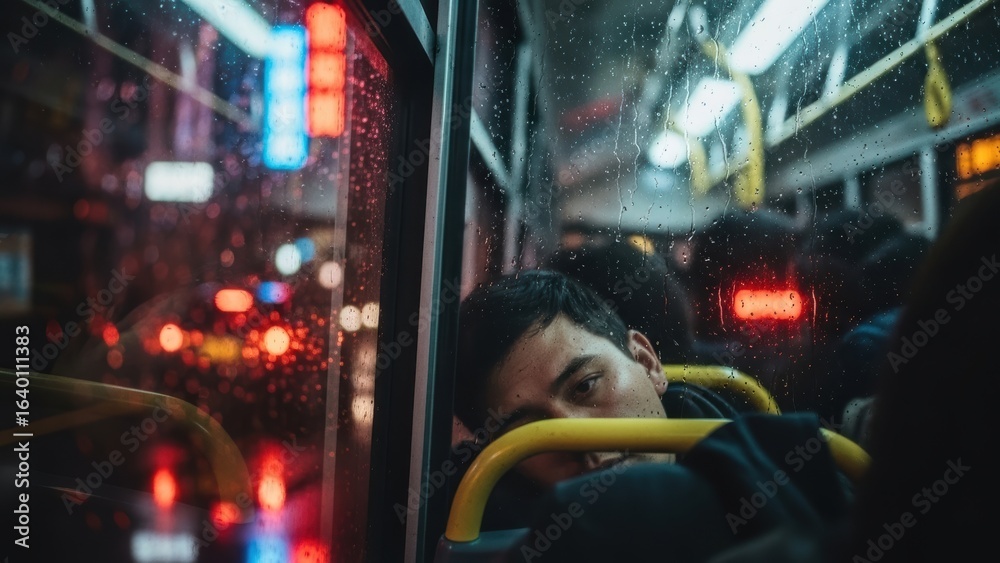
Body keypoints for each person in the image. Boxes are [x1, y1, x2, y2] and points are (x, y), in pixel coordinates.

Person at [452, 269, 853, 560]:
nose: (578, 437)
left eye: (586, 385)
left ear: (646, 360)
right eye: (529, 428)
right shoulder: (474, 527)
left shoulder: (805, 474)